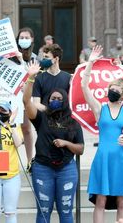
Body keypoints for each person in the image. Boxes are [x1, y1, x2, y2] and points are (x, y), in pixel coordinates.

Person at [24, 60, 84, 223]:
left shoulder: (73, 121)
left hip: (66, 169)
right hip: (43, 168)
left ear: (64, 100)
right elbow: (26, 102)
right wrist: (31, 78)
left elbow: (80, 149)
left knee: (65, 211)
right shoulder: (41, 117)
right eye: (51, 98)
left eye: (58, 98)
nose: (54, 101)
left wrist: (66, 144)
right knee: (43, 211)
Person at [81, 45, 123, 223]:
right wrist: (91, 62)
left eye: (116, 89)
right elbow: (84, 85)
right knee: (100, 200)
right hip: (102, 158)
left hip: (120, 159)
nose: (112, 90)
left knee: (121, 201)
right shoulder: (99, 108)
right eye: (110, 87)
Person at [14, 27, 38, 164]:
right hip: (11, 96)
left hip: (25, 97)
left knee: (26, 129)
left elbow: (33, 77)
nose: (24, 40)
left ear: (32, 39)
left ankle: (29, 160)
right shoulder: (12, 55)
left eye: (26, 38)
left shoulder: (35, 58)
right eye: (21, 38)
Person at [33, 43, 71, 112]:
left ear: (56, 59)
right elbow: (36, 103)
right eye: (43, 57)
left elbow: (71, 101)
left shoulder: (68, 78)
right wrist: (50, 111)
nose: (44, 60)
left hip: (64, 118)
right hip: (45, 118)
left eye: (47, 57)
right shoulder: (39, 78)